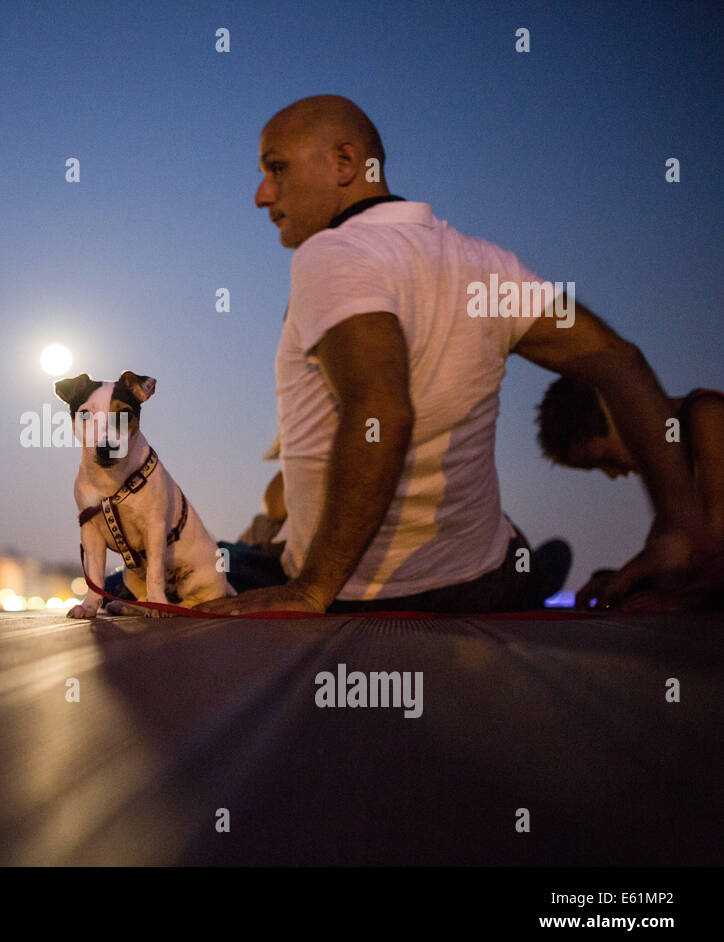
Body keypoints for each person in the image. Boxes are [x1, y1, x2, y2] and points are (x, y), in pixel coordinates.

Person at [195, 94, 717, 615]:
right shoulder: (487, 265)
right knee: (509, 550)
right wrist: (678, 529)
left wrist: (312, 591)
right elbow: (618, 361)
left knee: (195, 563)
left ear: (346, 163)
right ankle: (529, 576)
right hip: (479, 585)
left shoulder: (331, 254)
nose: (263, 195)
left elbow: (383, 411)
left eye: (277, 168)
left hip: (356, 598)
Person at [537, 376, 724, 607]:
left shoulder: (707, 415)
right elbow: (678, 560)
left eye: (606, 459)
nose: (613, 474)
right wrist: (624, 580)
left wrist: (669, 597)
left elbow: (715, 537)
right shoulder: (672, 475)